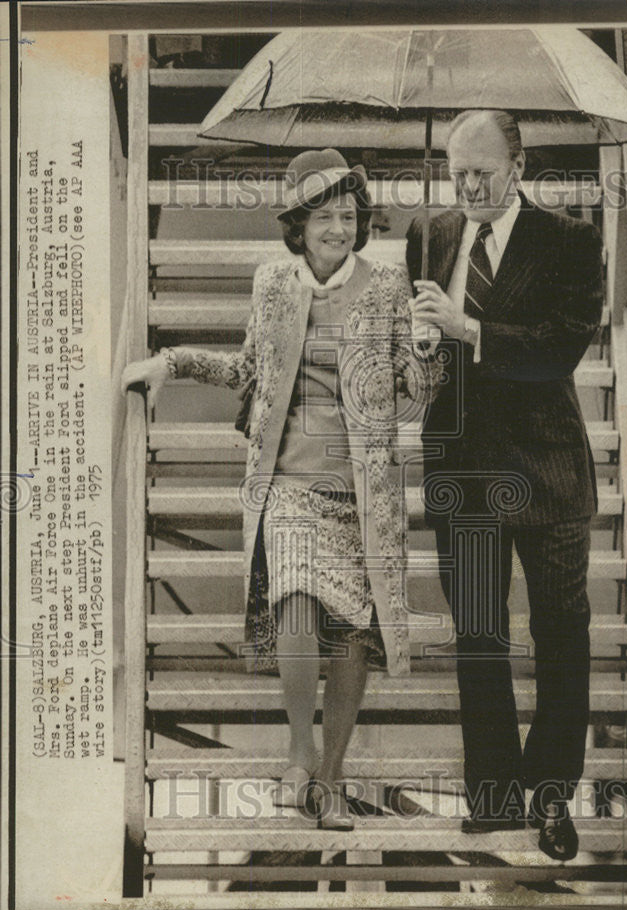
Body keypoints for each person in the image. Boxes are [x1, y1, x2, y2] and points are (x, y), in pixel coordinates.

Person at [123, 148, 433, 830]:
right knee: (294, 607)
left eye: (348, 216)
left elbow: (420, 388)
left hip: (360, 490)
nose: (338, 229)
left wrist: (430, 343)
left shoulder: (387, 287)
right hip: (286, 482)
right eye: (324, 217)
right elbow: (245, 370)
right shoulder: (272, 284)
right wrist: (171, 362)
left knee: (350, 633)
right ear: (298, 225)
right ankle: (299, 742)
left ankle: (329, 775)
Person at [407, 110, 604, 860]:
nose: (468, 185)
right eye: (457, 171)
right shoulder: (430, 233)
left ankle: (552, 797)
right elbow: (428, 356)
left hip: (547, 472)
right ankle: (492, 800)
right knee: (480, 640)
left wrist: (468, 332)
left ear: (520, 166)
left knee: (560, 636)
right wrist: (423, 349)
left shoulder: (571, 241)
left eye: (482, 171)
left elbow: (558, 350)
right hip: (465, 473)